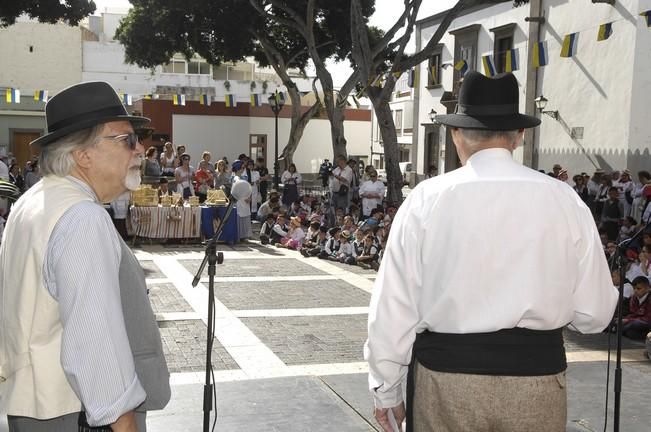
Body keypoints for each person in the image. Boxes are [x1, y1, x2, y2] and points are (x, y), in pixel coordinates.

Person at [364, 72, 617, 432]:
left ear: (456, 135)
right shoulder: (564, 199)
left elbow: (393, 305)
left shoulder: (426, 199)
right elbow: (594, 314)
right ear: (519, 135)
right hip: (536, 382)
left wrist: (386, 391)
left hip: (448, 382)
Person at [0, 81, 170, 431]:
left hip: (36, 407)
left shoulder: (32, 201)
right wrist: (124, 423)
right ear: (83, 154)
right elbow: (95, 341)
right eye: (126, 139)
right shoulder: (82, 217)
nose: (139, 149)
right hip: (76, 414)